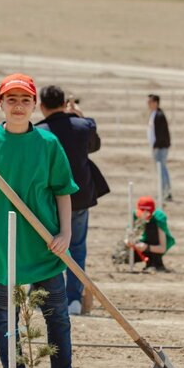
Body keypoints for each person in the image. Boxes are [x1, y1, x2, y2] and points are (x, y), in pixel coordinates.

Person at [0, 73, 80, 368]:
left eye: (25, 100)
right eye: (11, 99)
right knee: (6, 316)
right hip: (2, 246)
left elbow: (62, 190)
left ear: (34, 105)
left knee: (56, 314)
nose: (18, 106)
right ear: (1, 103)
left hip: (44, 246)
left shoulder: (48, 143)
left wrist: (65, 234)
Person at [36, 85, 108, 314]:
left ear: (41, 106)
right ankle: (74, 299)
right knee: (77, 249)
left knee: (44, 247)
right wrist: (80, 116)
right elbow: (94, 146)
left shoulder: (39, 131)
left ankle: (38, 297)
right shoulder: (82, 126)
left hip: (48, 200)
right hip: (79, 197)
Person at [130, 196, 175, 272]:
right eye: (141, 212)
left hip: (154, 247)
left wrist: (146, 247)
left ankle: (155, 264)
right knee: (119, 257)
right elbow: (130, 235)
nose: (143, 215)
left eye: (146, 213)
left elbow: (162, 248)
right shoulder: (135, 215)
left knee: (151, 227)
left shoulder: (158, 219)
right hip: (140, 246)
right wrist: (129, 242)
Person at [147, 94, 172, 201]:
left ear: (155, 103)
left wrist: (156, 146)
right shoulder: (154, 114)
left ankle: (166, 192)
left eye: (150, 102)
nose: (148, 104)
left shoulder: (159, 115)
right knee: (160, 169)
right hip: (157, 146)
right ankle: (163, 191)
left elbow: (161, 134)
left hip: (160, 147)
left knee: (162, 169)